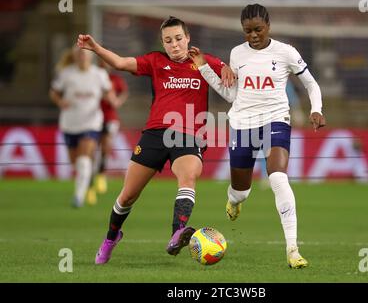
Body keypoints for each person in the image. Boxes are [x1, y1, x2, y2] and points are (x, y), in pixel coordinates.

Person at [76, 16, 234, 264]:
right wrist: (95, 48)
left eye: (179, 39)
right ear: (163, 43)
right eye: (168, 40)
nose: (174, 45)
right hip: (155, 134)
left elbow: (233, 72)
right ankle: (111, 237)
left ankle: (177, 234)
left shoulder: (203, 61)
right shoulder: (155, 61)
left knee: (188, 177)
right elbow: (119, 62)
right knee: (127, 196)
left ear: (188, 38)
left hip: (190, 135)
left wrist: (227, 66)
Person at [188, 4, 326, 269]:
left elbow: (310, 83)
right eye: (247, 31)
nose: (253, 35)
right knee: (241, 191)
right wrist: (205, 68)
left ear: (269, 26)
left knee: (278, 177)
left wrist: (316, 109)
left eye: (258, 29)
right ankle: (234, 200)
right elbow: (231, 95)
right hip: (242, 123)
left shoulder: (286, 52)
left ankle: (293, 249)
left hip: (276, 120)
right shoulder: (237, 54)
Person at [49, 46, 119, 208]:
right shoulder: (67, 74)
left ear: (90, 57)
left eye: (84, 54)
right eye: (79, 54)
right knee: (76, 163)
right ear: (74, 56)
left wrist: (112, 99)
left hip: (91, 123)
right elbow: (54, 92)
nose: (81, 56)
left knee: (84, 158)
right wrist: (60, 102)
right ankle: (87, 183)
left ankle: (79, 197)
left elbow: (109, 91)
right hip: (70, 123)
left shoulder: (99, 74)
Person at [92, 58, 129, 198]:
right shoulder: (94, 76)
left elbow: (124, 92)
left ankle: (101, 174)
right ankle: (92, 176)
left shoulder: (115, 78)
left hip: (110, 117)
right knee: (92, 147)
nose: (105, 63)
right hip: (93, 117)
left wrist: (117, 101)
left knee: (106, 146)